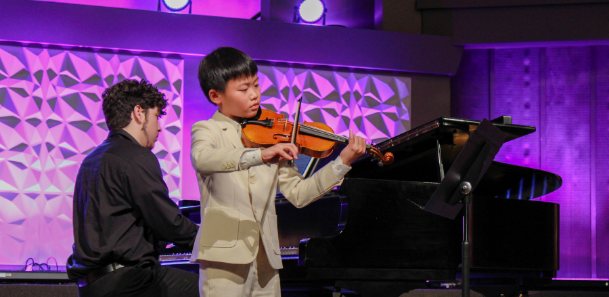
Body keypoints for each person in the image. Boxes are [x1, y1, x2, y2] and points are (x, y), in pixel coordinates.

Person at [190, 47, 366, 297]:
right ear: (216, 95)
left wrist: (343, 162)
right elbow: (203, 159)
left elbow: (299, 194)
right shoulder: (206, 129)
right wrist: (261, 154)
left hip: (267, 260)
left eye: (256, 85)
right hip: (223, 257)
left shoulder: (270, 133)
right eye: (243, 89)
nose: (254, 95)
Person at [66, 79, 199, 297]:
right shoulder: (136, 156)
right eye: (156, 116)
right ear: (139, 113)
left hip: (92, 285)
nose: (159, 127)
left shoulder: (92, 160)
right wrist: (212, 242)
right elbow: (168, 223)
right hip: (128, 283)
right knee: (213, 289)